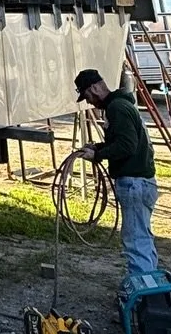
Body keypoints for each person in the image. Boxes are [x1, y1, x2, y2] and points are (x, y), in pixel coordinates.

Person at [63, 68, 159, 281]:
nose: (88, 101)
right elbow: (123, 141)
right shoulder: (122, 105)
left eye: (87, 95)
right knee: (142, 238)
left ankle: (145, 295)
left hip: (134, 182)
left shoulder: (116, 108)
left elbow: (127, 145)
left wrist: (97, 155)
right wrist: (98, 148)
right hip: (141, 182)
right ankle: (151, 287)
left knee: (135, 241)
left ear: (95, 87)